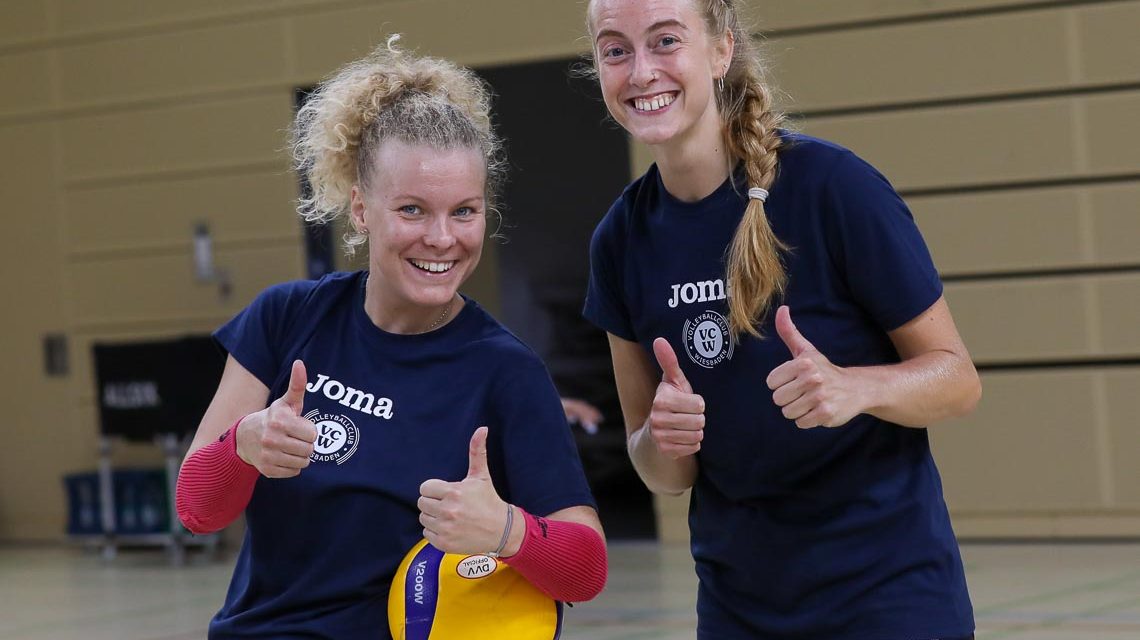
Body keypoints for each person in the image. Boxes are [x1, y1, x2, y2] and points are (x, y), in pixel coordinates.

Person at [175, 36, 607, 639]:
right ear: (360, 210)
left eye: (464, 211)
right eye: (411, 210)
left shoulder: (505, 371)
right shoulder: (286, 317)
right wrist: (244, 446)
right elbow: (196, 510)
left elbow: (585, 569)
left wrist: (506, 531)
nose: (441, 238)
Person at [581, 1, 981, 639]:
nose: (641, 72)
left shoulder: (833, 188)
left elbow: (958, 379)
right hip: (739, 610)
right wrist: (663, 438)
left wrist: (859, 388)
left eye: (665, 41)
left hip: (888, 599)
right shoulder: (619, 241)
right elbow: (662, 474)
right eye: (615, 50)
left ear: (720, 50)